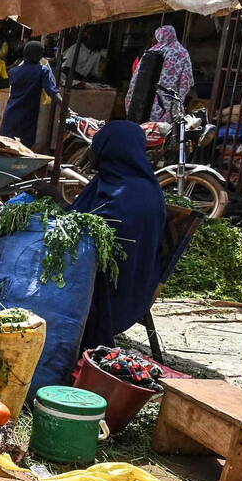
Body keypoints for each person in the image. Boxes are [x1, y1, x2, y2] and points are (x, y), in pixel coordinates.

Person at [72, 120, 167, 351]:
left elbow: (100, 236)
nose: (92, 153)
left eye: (96, 146)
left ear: (111, 149)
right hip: (90, 269)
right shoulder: (110, 180)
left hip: (114, 291)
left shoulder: (133, 194)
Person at [0, 40, 62, 147]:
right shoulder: (42, 70)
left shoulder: (13, 71)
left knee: (5, 146)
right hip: (27, 117)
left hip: (11, 114)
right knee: (23, 148)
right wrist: (66, 108)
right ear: (39, 56)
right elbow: (52, 92)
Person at [126, 24, 194, 122]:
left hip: (145, 100)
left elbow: (136, 78)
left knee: (144, 125)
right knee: (164, 128)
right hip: (168, 101)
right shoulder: (182, 53)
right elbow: (186, 80)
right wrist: (180, 97)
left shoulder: (151, 51)